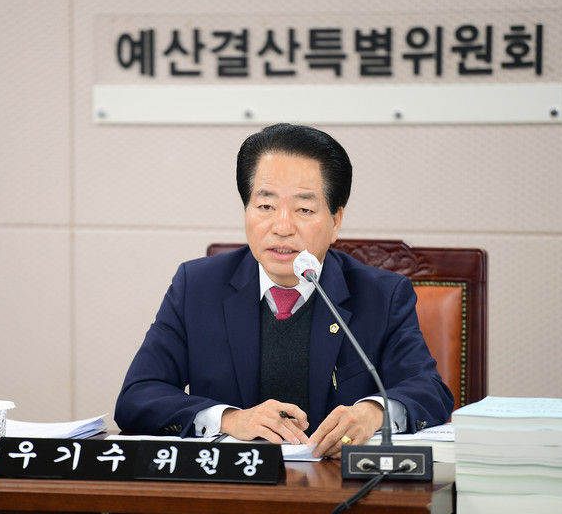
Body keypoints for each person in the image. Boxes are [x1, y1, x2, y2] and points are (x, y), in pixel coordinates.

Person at [115, 123, 454, 458]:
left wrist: (373, 412)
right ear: (246, 210)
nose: (282, 227)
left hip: (337, 482)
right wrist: (230, 419)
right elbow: (138, 396)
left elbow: (430, 392)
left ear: (335, 221)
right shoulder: (197, 286)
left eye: (304, 209)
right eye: (265, 206)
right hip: (233, 482)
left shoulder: (381, 295)